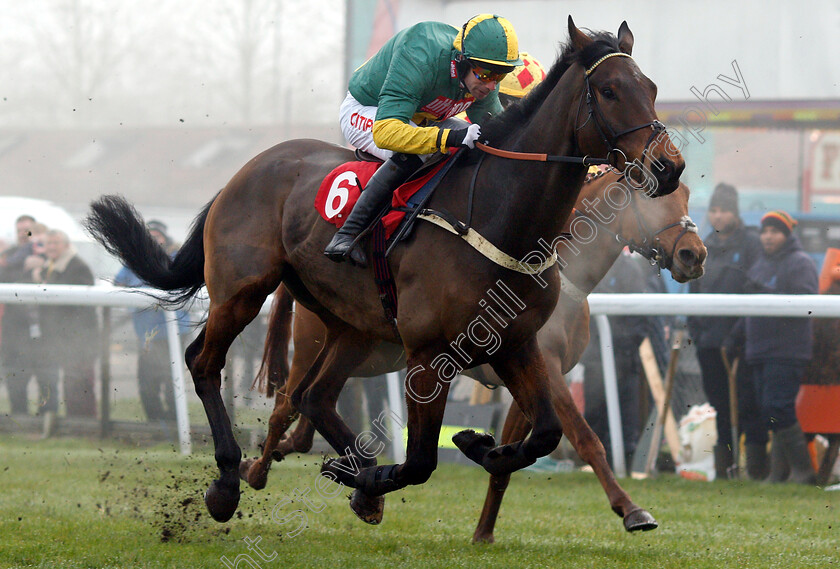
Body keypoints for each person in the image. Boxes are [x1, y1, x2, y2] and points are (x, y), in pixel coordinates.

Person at [325, 14, 522, 266]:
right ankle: (348, 233)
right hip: (369, 110)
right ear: (461, 60)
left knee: (479, 143)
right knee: (424, 150)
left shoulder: (480, 77)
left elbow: (500, 134)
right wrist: (450, 136)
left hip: (418, 118)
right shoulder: (420, 54)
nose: (492, 86)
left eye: (501, 76)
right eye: (485, 74)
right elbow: (386, 132)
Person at [727, 210, 818, 484]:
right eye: (765, 231)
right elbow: (753, 306)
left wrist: (766, 294)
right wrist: (736, 334)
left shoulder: (800, 263)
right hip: (760, 350)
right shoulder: (760, 264)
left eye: (775, 231)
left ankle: (803, 471)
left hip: (787, 350)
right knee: (771, 411)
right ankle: (781, 472)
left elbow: (806, 304)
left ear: (787, 234)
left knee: (777, 409)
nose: (768, 236)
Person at [686, 183, 761, 479]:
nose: (718, 216)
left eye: (724, 210)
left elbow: (754, 293)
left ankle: (756, 470)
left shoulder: (751, 245)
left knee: (747, 404)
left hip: (741, 343)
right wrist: (697, 329)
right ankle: (725, 468)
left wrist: (737, 336)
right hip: (708, 342)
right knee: (720, 405)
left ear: (735, 212)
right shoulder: (704, 243)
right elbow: (693, 288)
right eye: (714, 210)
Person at [114, 220, 184, 422]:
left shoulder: (175, 257)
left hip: (173, 330)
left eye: (157, 236)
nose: (154, 240)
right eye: (150, 236)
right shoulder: (133, 260)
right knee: (146, 380)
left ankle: (174, 420)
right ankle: (155, 422)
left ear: (165, 238)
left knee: (171, 378)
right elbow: (118, 283)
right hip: (145, 333)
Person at [34, 229, 100, 418]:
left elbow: (79, 304)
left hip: (80, 339)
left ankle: (85, 424)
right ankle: (75, 422)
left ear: (66, 245)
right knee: (70, 383)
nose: (52, 247)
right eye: (49, 243)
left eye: (56, 243)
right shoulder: (51, 266)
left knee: (80, 383)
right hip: (62, 337)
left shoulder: (77, 266)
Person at [1, 220, 57, 416]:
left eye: (27, 231)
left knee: (47, 379)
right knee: (16, 379)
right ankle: (20, 422)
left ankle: (49, 421)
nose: (23, 234)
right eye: (19, 231)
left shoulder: (50, 254)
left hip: (45, 332)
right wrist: (27, 271)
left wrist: (41, 267)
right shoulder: (10, 256)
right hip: (16, 332)